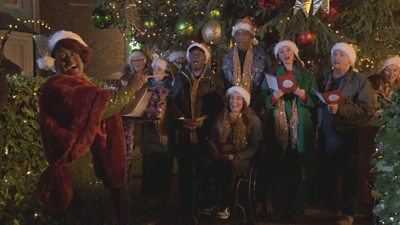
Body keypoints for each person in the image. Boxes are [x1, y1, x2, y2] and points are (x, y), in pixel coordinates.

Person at [36, 30, 146, 225]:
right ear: (55, 64)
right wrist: (130, 90)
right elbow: (97, 112)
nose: (69, 59)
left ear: (82, 56)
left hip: (97, 162)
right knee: (93, 215)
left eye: (73, 53)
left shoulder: (86, 84)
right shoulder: (57, 86)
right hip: (78, 166)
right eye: (62, 57)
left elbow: (106, 109)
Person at [317, 42, 375, 225]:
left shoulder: (359, 82)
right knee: (328, 173)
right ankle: (331, 209)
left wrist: (341, 109)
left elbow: (367, 109)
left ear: (350, 60)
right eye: (335, 54)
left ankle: (348, 212)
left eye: (341, 54)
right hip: (326, 134)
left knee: (348, 174)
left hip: (347, 136)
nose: (336, 57)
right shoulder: (325, 79)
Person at [262, 40, 318, 221]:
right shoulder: (272, 76)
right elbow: (263, 100)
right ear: (278, 56)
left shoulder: (306, 76)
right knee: (280, 165)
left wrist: (303, 95)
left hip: (300, 127)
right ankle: (280, 208)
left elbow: (316, 101)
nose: (285, 54)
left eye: (288, 50)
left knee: (299, 166)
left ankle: (297, 209)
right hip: (278, 127)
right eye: (281, 52)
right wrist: (273, 97)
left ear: (294, 54)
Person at [169, 42, 225, 214]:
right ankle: (186, 205)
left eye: (199, 55)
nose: (196, 58)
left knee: (205, 169)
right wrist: (182, 120)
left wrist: (205, 119)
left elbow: (219, 105)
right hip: (185, 132)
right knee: (185, 172)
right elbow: (173, 102)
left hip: (205, 133)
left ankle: (206, 204)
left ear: (205, 59)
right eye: (193, 55)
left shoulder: (213, 80)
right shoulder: (181, 78)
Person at [201, 86, 261, 219]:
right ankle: (208, 203)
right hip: (220, 155)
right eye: (232, 98)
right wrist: (215, 152)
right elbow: (212, 139)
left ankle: (225, 204)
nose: (234, 101)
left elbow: (253, 147)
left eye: (238, 98)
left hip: (241, 158)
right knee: (206, 163)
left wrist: (236, 155)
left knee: (228, 164)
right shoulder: (220, 117)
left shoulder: (252, 120)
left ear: (244, 101)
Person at [138, 57, 174, 208]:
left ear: (166, 72)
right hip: (149, 132)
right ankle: (149, 196)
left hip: (166, 131)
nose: (156, 72)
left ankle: (163, 195)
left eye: (159, 70)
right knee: (150, 164)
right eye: (154, 70)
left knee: (165, 164)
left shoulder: (172, 88)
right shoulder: (146, 87)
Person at [221, 17, 270, 109]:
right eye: (238, 34)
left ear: (251, 37)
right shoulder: (227, 57)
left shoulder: (261, 57)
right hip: (232, 105)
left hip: (255, 107)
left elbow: (266, 85)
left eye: (245, 34)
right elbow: (222, 83)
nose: (241, 38)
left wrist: (256, 107)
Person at [120, 50, 151, 161]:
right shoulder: (125, 78)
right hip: (130, 117)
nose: (137, 63)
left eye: (140, 60)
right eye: (134, 61)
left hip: (147, 119)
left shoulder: (152, 77)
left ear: (145, 62)